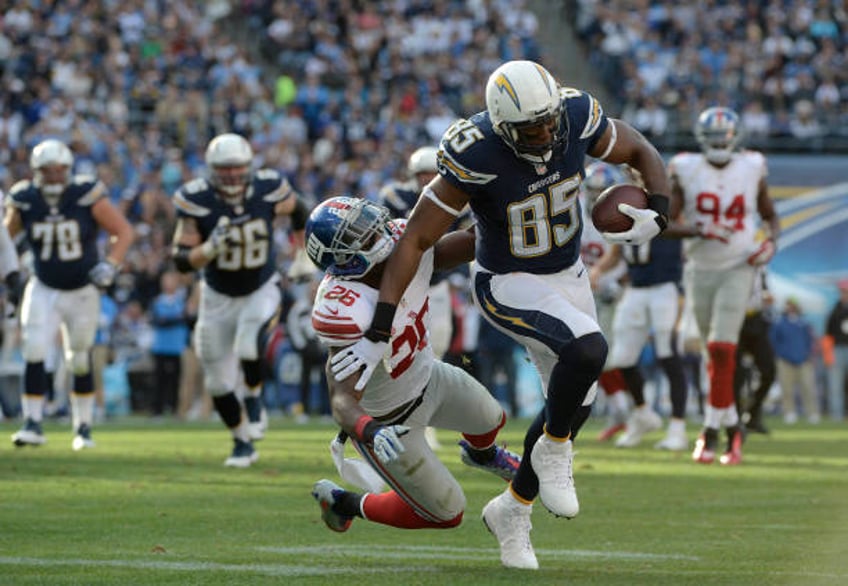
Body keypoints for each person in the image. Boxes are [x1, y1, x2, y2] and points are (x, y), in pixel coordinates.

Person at [328, 60, 672, 568]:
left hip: (568, 274)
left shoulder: (574, 114)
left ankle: (513, 509)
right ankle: (555, 450)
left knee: (575, 402)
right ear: (505, 126)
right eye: (533, 127)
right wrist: (383, 315)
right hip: (507, 281)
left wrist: (660, 209)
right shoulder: (476, 150)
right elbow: (419, 237)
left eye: (550, 119)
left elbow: (639, 148)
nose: (548, 131)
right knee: (589, 349)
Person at [304, 197, 520, 557]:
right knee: (446, 513)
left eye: (369, 222)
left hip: (429, 377)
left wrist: (508, 213)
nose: (377, 231)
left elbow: (466, 245)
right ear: (344, 257)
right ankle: (345, 503)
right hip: (390, 421)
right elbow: (341, 399)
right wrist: (371, 431)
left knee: (491, 418)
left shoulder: (402, 241)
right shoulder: (344, 307)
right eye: (361, 234)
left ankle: (482, 456)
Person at [170, 133, 309, 467]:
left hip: (260, 286)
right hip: (217, 296)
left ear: (248, 167)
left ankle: (254, 397)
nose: (231, 174)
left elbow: (300, 210)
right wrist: (208, 249)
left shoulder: (267, 188)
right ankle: (242, 441)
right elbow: (180, 257)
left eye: (237, 168)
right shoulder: (197, 199)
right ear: (212, 169)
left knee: (249, 345)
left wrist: (303, 254)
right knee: (217, 381)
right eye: (224, 168)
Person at [667, 106, 780, 465]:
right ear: (702, 140)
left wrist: (771, 243)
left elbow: (771, 216)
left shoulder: (751, 167)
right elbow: (666, 222)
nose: (719, 143)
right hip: (700, 266)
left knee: (721, 349)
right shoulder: (685, 167)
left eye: (724, 136)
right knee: (710, 355)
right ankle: (731, 430)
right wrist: (701, 228)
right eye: (713, 137)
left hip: (739, 264)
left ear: (736, 139)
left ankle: (709, 432)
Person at [6, 138, 134, 449]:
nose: (53, 176)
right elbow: (4, 238)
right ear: (36, 172)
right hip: (44, 284)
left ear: (68, 170)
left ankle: (83, 427)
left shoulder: (85, 193)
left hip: (81, 289)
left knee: (79, 357)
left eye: (58, 170)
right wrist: (14, 267)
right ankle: (33, 422)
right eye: (46, 171)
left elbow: (123, 231)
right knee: (33, 349)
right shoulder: (24, 198)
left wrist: (112, 264)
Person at [590, 171, 688, 451]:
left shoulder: (668, 202)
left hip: (665, 287)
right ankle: (643, 414)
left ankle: (678, 429)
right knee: (622, 357)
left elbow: (675, 218)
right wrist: (599, 269)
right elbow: (618, 252)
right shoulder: (628, 203)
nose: (639, 179)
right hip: (636, 287)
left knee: (668, 353)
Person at [578, 162, 631, 442]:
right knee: (590, 356)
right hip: (583, 290)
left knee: (609, 355)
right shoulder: (575, 213)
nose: (597, 197)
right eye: (594, 191)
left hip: (610, 291)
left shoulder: (617, 217)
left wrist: (597, 272)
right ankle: (620, 410)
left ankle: (624, 411)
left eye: (603, 193)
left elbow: (616, 253)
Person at [733, 269, 776, 434]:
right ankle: (734, 420)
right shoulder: (733, 262)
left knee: (769, 370)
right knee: (737, 374)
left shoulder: (761, 270)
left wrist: (766, 297)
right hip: (735, 321)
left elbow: (764, 291)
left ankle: (753, 413)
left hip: (756, 322)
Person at [770, 297, 819, 424]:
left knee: (808, 388)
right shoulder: (779, 323)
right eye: (788, 305)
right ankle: (789, 412)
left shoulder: (804, 323)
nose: (791, 308)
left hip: (803, 361)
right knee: (787, 389)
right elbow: (774, 341)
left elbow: (809, 341)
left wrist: (808, 355)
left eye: (793, 305)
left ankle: (812, 413)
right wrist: (781, 355)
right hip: (785, 361)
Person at [149, 270, 189, 419]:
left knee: (176, 380)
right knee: (160, 380)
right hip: (161, 346)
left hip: (177, 347)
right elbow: (158, 320)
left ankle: (174, 409)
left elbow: (185, 318)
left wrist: (170, 319)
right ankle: (157, 410)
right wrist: (175, 319)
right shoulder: (158, 301)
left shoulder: (182, 300)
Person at [824, 279, 848, 421]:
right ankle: (836, 416)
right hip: (838, 350)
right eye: (843, 292)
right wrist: (828, 355)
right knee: (835, 385)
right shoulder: (835, 310)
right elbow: (828, 334)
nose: (844, 294)